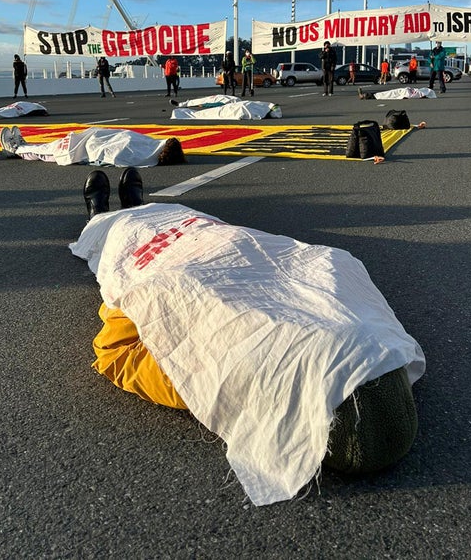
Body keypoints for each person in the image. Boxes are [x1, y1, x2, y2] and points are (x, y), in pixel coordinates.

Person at [72, 177, 425, 506]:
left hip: (179, 251)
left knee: (136, 276)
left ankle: (104, 219)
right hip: (210, 242)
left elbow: (114, 353)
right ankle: (127, 215)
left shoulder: (218, 381)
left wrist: (132, 290)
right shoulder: (231, 380)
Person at [0, 125, 186, 166]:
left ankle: (16, 149)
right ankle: (23, 147)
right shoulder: (150, 151)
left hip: (86, 148)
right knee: (48, 149)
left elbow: (116, 152)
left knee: (47, 152)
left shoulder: (151, 147)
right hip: (91, 142)